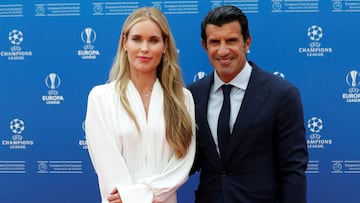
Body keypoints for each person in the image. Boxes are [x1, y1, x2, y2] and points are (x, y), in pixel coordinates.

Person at [187, 5, 308, 203]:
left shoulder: (282, 94)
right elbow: (186, 161)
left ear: (247, 42)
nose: (223, 50)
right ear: (204, 46)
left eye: (231, 41)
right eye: (215, 42)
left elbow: (293, 170)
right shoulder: (192, 95)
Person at [85, 7, 196, 203]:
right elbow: (107, 164)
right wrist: (135, 197)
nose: (144, 48)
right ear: (124, 43)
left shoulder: (182, 98)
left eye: (153, 40)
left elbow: (183, 163)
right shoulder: (101, 98)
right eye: (137, 39)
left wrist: (139, 195)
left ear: (164, 46)